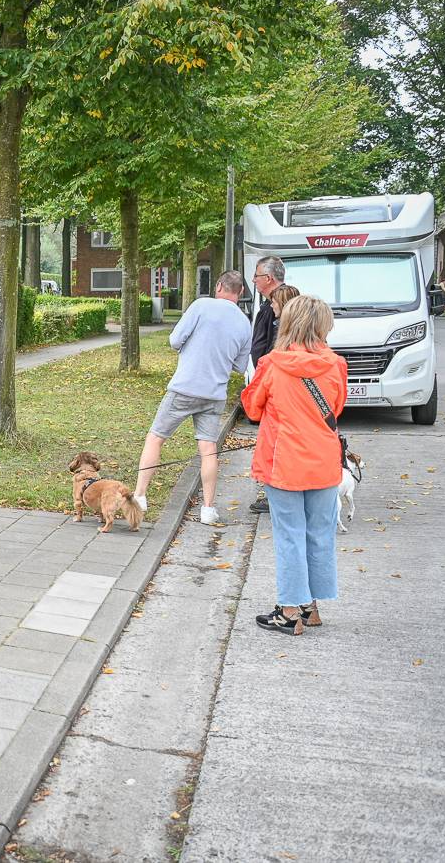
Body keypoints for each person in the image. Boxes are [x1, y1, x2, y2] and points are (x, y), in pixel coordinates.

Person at [239, 295, 348, 635]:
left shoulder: (272, 365)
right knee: (319, 534)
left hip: (283, 462)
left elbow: (253, 409)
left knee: (289, 536)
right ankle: (310, 606)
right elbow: (337, 408)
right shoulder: (336, 364)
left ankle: (288, 611)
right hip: (323, 461)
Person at [132, 270, 252, 525]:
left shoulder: (201, 305)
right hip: (214, 394)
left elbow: (175, 340)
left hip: (184, 388)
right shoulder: (244, 322)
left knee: (156, 438)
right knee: (208, 450)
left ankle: (140, 495)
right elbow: (241, 367)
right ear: (240, 292)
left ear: (219, 286)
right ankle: (208, 509)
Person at [247, 256, 286, 514]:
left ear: (268, 278)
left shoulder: (280, 306)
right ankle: (274, 492)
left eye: (257, 276)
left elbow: (274, 346)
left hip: (275, 384)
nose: (254, 280)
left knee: (276, 443)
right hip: (269, 380)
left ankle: (277, 494)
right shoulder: (269, 306)